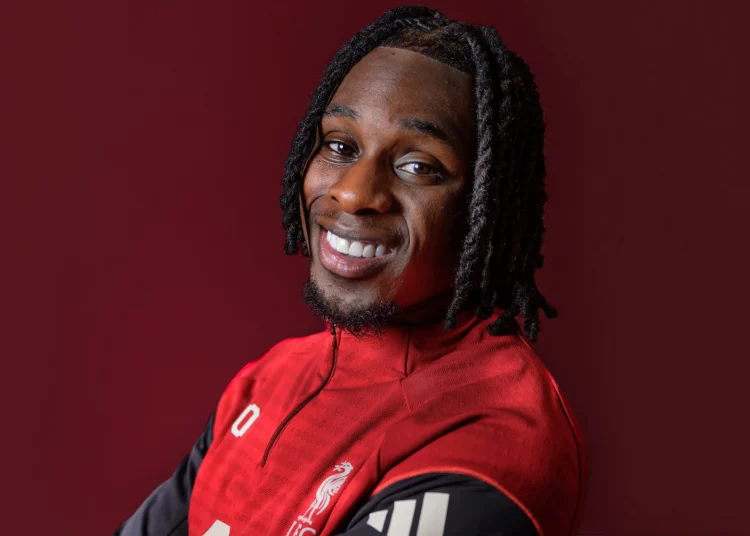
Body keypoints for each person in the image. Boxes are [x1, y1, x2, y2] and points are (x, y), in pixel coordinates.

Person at [114, 5, 588, 536]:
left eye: (418, 166)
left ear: (488, 207)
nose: (354, 192)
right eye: (340, 147)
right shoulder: (269, 380)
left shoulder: (494, 436)